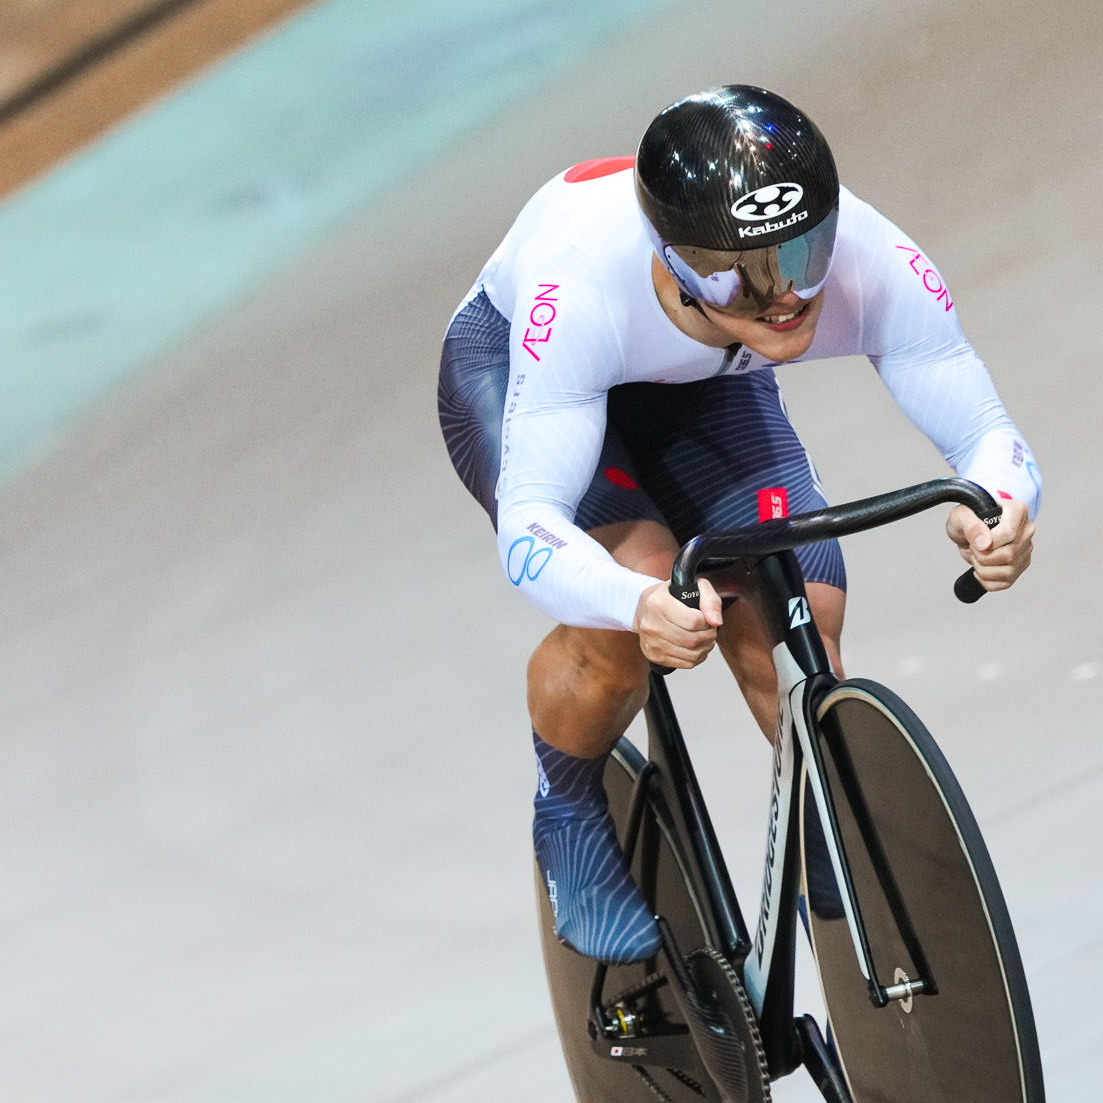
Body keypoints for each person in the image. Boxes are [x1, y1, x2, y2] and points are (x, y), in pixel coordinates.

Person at [438, 85, 1040, 965]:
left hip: (705, 378)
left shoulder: (864, 257)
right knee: (631, 593)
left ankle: (825, 882)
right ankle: (565, 803)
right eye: (736, 274)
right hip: (527, 373)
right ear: (668, 259)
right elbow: (530, 531)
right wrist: (632, 602)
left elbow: (984, 429)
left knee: (800, 619)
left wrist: (1005, 506)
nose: (782, 297)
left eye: (803, 254)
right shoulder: (579, 290)